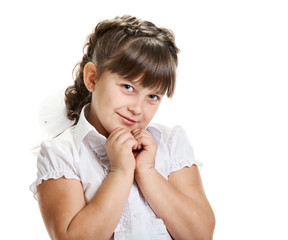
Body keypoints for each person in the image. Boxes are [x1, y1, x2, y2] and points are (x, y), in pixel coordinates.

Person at [30, 15, 215, 240]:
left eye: (153, 96)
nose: (137, 108)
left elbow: (200, 234)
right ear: (92, 78)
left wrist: (147, 171)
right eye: (128, 87)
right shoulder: (62, 154)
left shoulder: (170, 143)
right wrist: (120, 171)